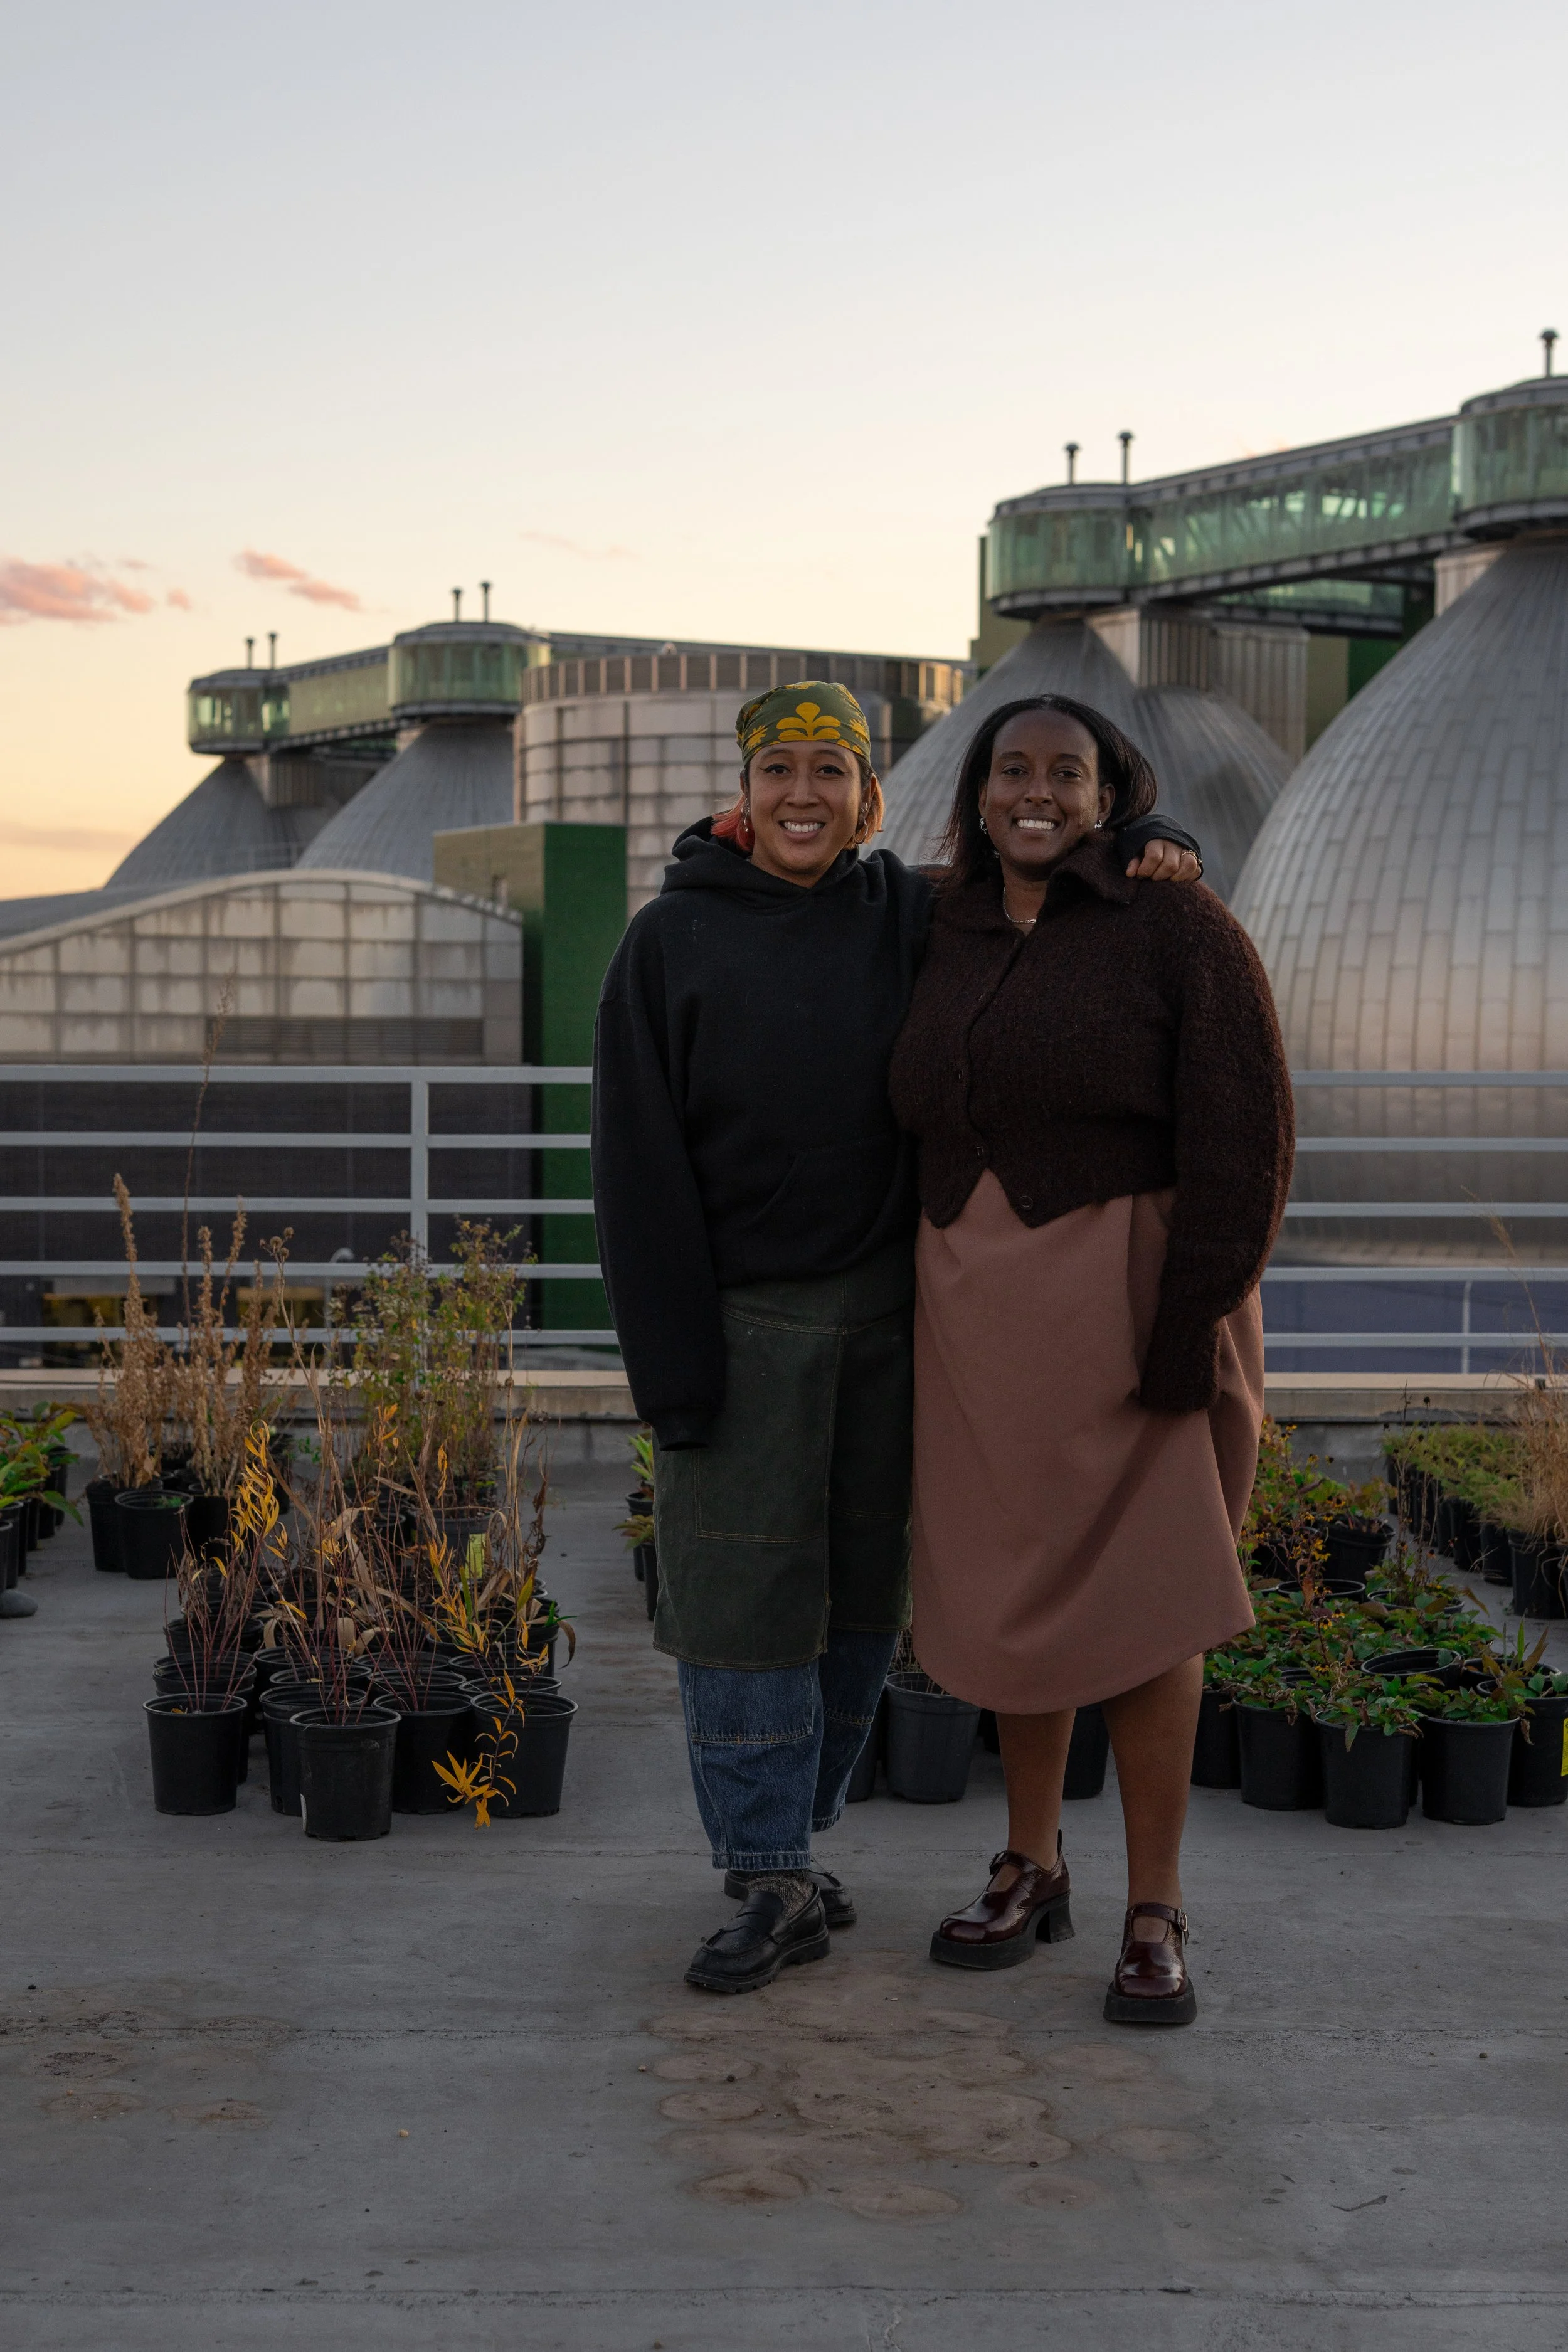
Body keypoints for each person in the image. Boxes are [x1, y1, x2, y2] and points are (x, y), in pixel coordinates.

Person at [591, 681, 1204, 1994]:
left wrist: (1162, 843)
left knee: (869, 1602)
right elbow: (633, 1169)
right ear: (740, 796)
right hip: (740, 1326)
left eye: (828, 770)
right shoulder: (667, 944)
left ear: (869, 799)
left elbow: (1041, 868)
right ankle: (762, 1876)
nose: (801, 793)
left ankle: (792, 1847)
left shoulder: (912, 916)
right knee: (744, 1607)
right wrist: (670, 1369)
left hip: (901, 1317)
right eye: (777, 771)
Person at [887, 694, 1293, 2026]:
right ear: (977, 790)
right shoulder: (933, 923)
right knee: (1017, 1596)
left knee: (1145, 1605)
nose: (1035, 793)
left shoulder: (1175, 925)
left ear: (1110, 792)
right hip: (973, 1321)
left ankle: (1154, 1907)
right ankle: (1029, 1864)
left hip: (1128, 1312)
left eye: (1066, 772)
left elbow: (1245, 1137)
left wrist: (1190, 1324)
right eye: (1012, 770)